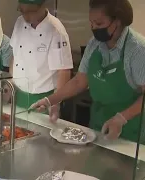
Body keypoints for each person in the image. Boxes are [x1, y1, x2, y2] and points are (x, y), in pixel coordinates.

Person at [31, 0, 145, 142]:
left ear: (118, 21)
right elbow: (79, 81)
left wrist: (121, 118)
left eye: (99, 24)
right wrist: (50, 100)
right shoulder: (94, 44)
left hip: (131, 134)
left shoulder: (138, 50)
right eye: (91, 23)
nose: (94, 28)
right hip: (98, 126)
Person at [10, 0, 73, 119]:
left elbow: (63, 71)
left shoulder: (55, 30)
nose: (25, 16)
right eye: (22, 11)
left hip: (43, 100)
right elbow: (15, 55)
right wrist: (10, 85)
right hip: (19, 95)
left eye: (30, 11)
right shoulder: (19, 22)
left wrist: (55, 103)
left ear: (42, 6)